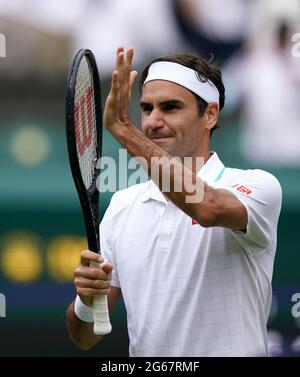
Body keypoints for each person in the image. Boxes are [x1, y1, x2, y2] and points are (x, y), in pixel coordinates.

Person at [66, 47, 282, 357]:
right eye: (146, 108)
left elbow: (207, 207)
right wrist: (87, 302)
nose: (153, 121)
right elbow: (84, 337)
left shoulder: (256, 187)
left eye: (170, 107)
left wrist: (124, 130)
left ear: (210, 114)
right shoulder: (122, 207)